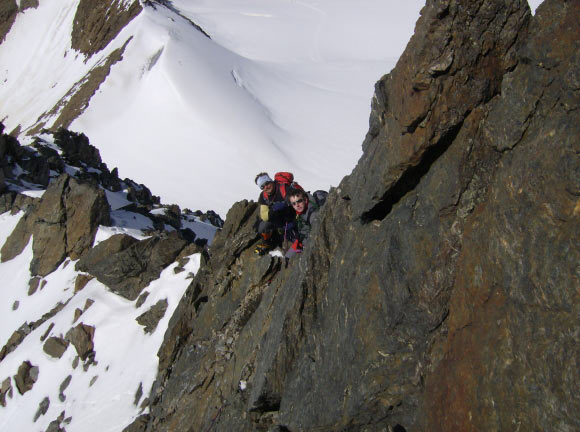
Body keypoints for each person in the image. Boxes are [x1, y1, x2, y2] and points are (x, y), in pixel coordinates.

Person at [254, 172, 296, 254]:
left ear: (270, 181)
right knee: (263, 226)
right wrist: (273, 210)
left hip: (292, 219)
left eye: (267, 183)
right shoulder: (263, 197)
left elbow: (297, 203)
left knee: (292, 248)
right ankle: (268, 244)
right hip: (279, 222)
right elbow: (264, 216)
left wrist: (285, 204)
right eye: (262, 186)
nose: (266, 187)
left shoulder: (284, 188)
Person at [285, 188, 321, 259]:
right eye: (294, 203)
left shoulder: (312, 215)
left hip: (307, 241)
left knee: (289, 258)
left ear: (305, 200)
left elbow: (317, 233)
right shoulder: (301, 210)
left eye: (299, 201)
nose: (297, 205)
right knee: (287, 257)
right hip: (302, 239)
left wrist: (304, 245)